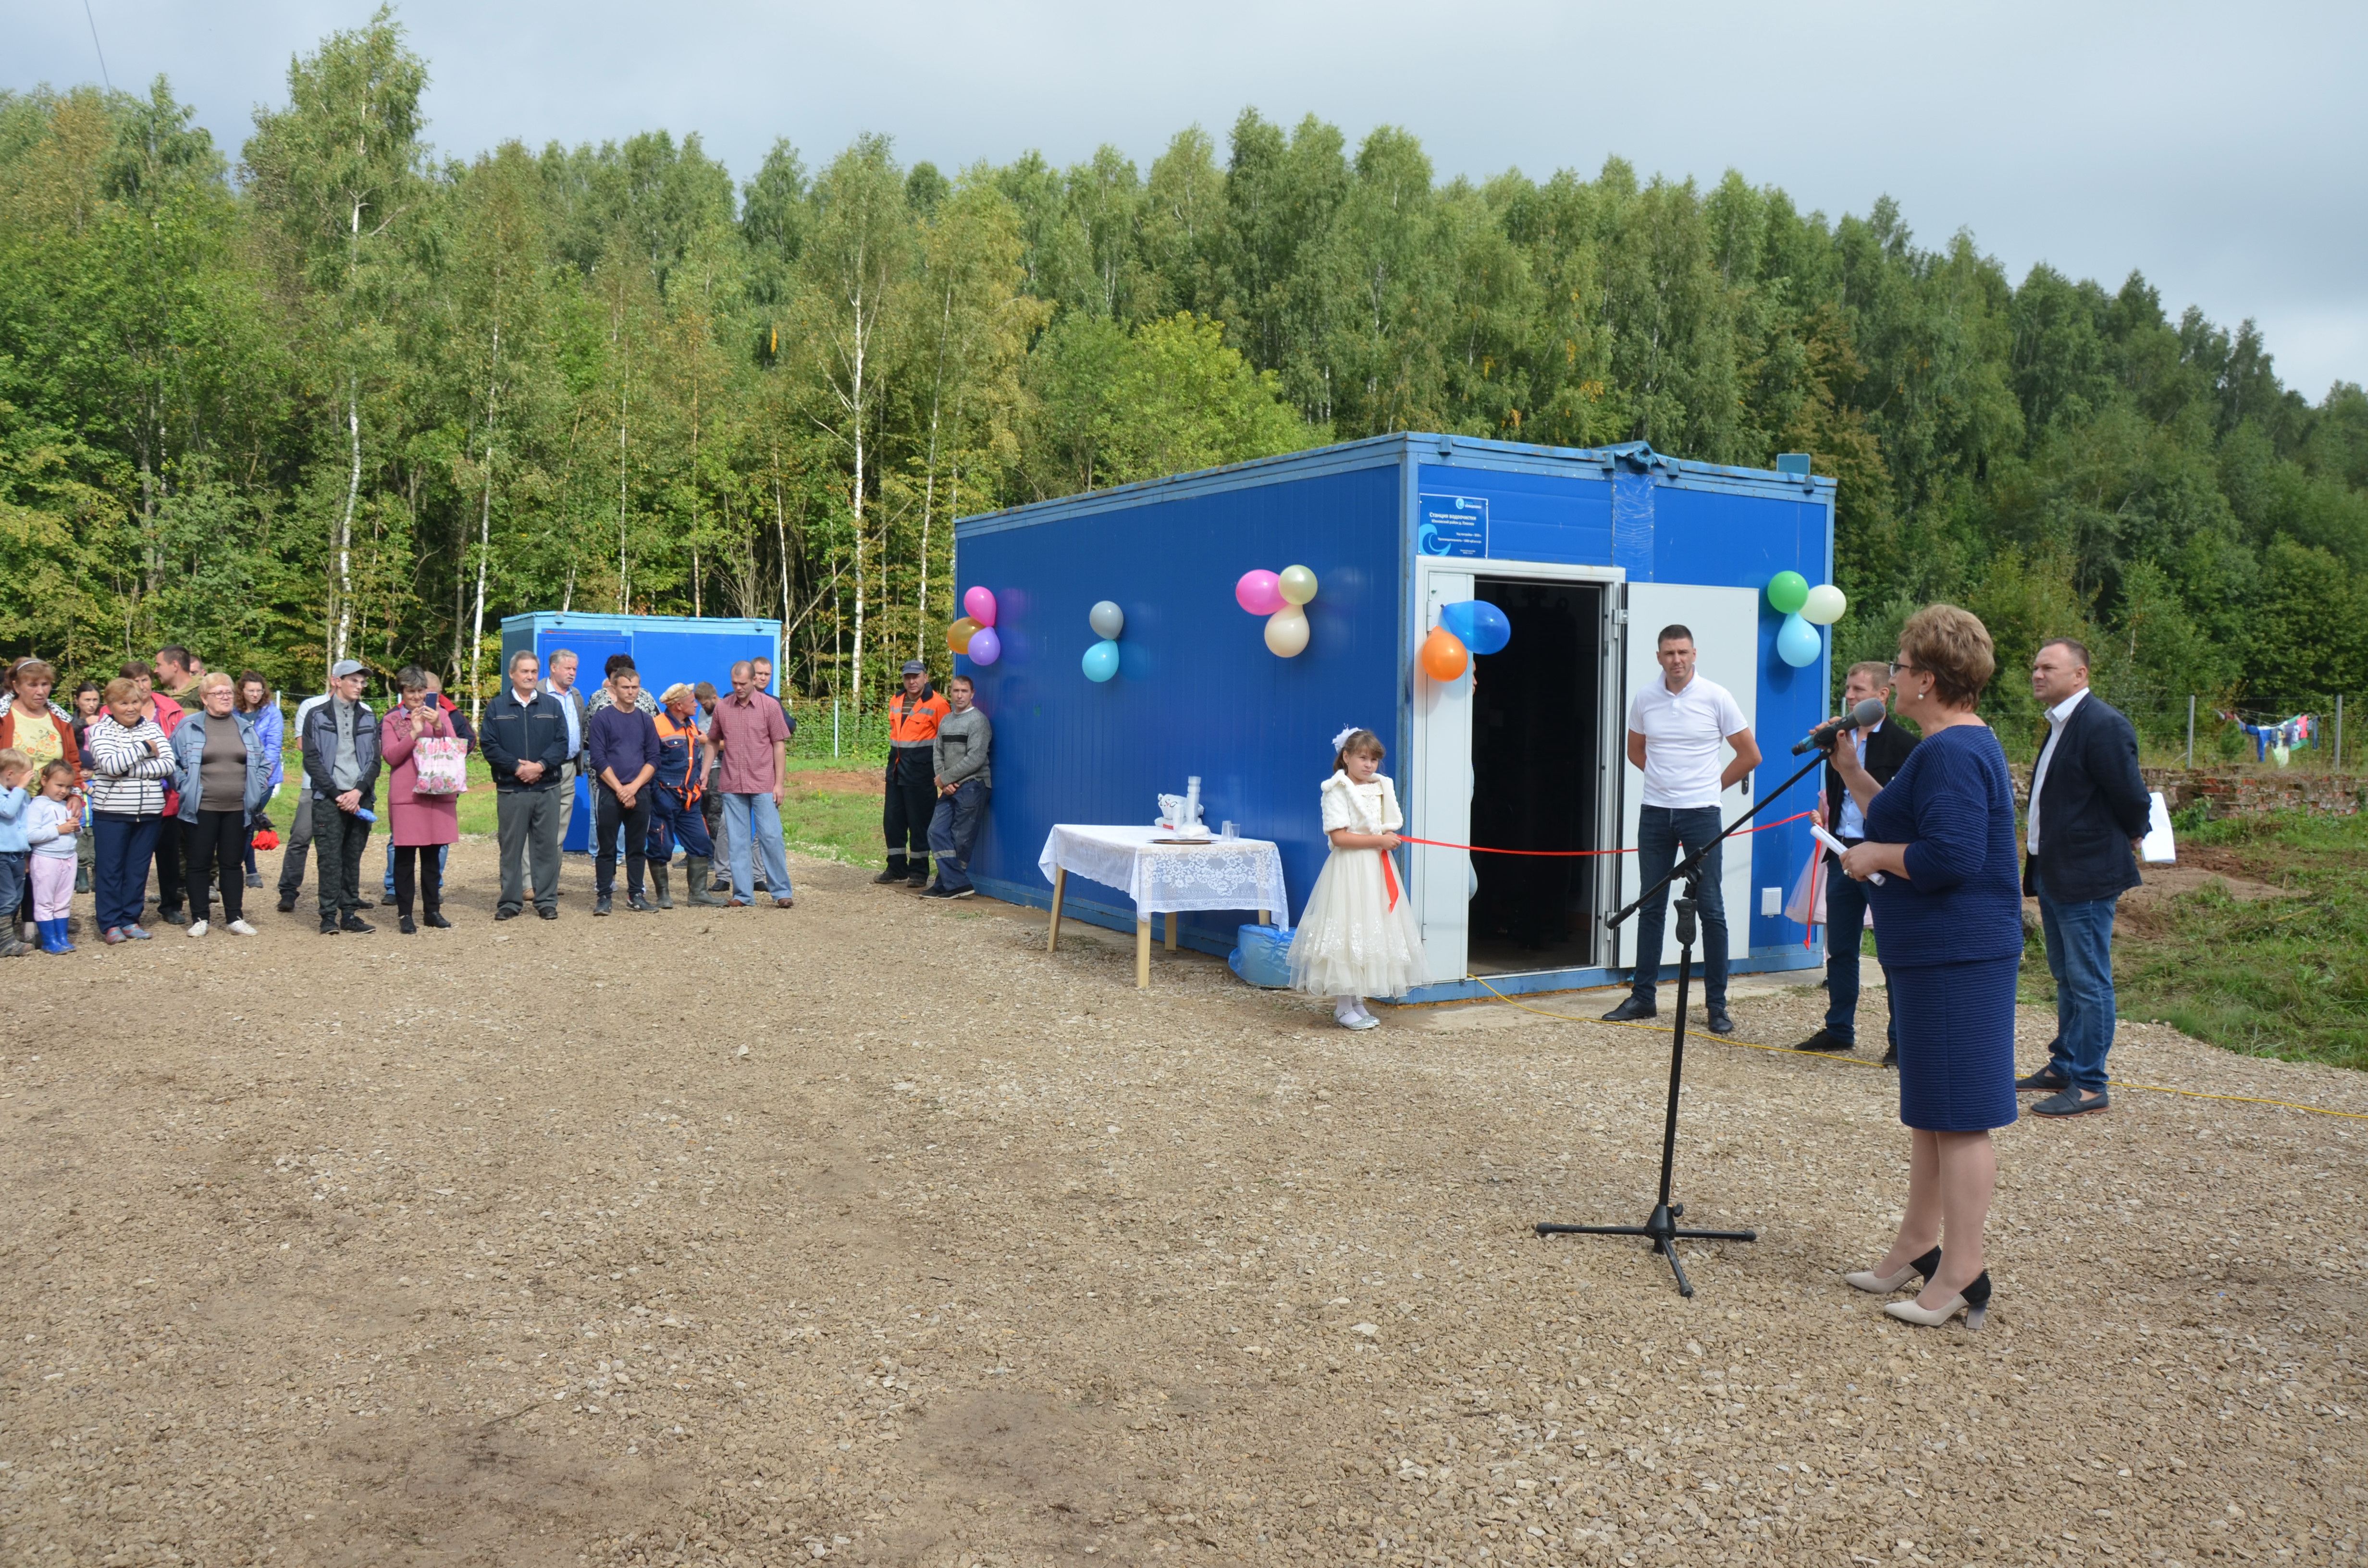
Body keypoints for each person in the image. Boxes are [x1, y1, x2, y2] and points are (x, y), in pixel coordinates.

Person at [1829, 604, 2022, 1330]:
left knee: (1963, 1117)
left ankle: (1962, 1267)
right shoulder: (1951, 749)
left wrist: (1874, 858)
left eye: (1904, 665)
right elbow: (1907, 823)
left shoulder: (1951, 751)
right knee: (1932, 1114)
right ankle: (1917, 1244)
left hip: (1958, 954)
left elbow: (1949, 858)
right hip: (1936, 953)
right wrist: (1851, 772)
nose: (1895, 675)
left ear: (1929, 681)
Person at [1603, 625, 1762, 1034]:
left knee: (1711, 907)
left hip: (1702, 815)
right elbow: (1635, 749)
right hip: (1655, 813)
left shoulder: (1716, 696)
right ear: (1659, 657)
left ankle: (1716, 1006)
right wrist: (1663, 780)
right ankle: (1643, 997)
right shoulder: (1645, 697)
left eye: (1683, 652)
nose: (1677, 660)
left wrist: (1710, 787)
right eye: (1669, 653)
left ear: (1695, 654)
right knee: (1651, 903)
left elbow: (1750, 754)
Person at [2019, 637, 2151, 1118]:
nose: (2036, 674)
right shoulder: (2060, 724)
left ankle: (2091, 1084)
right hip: (2053, 870)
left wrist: (2135, 834)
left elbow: (2132, 797)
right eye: (2034, 667)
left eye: (2047, 668)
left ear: (2079, 675)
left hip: (2087, 874)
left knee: (2089, 981)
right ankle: (2064, 1065)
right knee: (2066, 978)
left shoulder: (2102, 725)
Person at [1794, 661, 1918, 1061]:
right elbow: (1839, 797)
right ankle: (1839, 1028)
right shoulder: (1840, 739)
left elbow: (1902, 808)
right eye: (1848, 688)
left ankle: (1901, 1039)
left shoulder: (1905, 746)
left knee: (1891, 953)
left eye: (1859, 690)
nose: (1850, 696)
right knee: (1841, 948)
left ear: (1883, 696)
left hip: (1884, 858)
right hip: (1842, 852)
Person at [1289, 727, 1430, 1028]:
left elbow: (1380, 827)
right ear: (1347, 757)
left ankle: (1357, 1001)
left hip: (1377, 868)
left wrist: (1384, 838)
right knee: (1349, 927)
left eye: (1374, 760)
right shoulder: (1336, 791)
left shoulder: (1379, 788)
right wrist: (1379, 841)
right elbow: (1340, 838)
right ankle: (1342, 1006)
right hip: (1351, 869)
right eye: (1363, 758)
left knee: (1371, 927)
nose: (1369, 765)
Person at [166, 671, 271, 937]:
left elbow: (264, 763)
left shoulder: (245, 728)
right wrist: (185, 784)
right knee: (199, 862)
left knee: (233, 863)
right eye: (219, 693)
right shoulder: (188, 727)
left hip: (238, 807)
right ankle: (200, 917)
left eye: (228, 693)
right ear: (204, 698)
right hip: (201, 808)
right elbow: (172, 761)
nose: (225, 697)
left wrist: (256, 789)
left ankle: (234, 916)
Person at [85, 676, 178, 944]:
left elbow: (168, 765)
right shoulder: (100, 732)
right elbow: (110, 766)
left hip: (149, 812)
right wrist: (143, 749)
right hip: (112, 812)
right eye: (123, 703)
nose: (130, 708)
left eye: (135, 702)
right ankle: (111, 922)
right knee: (111, 869)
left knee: (138, 869)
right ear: (111, 705)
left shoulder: (154, 728)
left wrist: (128, 767)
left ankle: (130, 918)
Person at [481, 650, 570, 921]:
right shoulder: (496, 707)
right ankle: (510, 901)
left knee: (546, 848)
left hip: (547, 788)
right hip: (512, 789)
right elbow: (489, 745)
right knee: (511, 848)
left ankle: (546, 900)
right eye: (524, 672)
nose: (530, 676)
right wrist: (517, 768)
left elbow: (562, 743)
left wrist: (540, 766)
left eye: (534, 672)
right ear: (512, 674)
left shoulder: (552, 707)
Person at [299, 659, 382, 935]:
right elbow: (312, 760)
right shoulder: (317, 715)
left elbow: (375, 761)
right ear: (336, 681)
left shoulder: (369, 716)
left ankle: (349, 914)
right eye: (353, 680)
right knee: (329, 858)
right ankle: (327, 917)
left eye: (362, 681)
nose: (360, 686)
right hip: (328, 798)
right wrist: (337, 794)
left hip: (361, 797)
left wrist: (358, 792)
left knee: (352, 856)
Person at [1, 660, 79, 936]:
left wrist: (76, 794)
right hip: (10, 803)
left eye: (45, 684)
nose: (40, 691)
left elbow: (72, 761)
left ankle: (36, 925)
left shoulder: (60, 718)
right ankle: (7, 928)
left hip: (52, 801)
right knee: (13, 865)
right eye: (32, 685)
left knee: (46, 864)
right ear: (16, 686)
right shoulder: (4, 715)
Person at [708, 660, 794, 909]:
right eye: (734, 683)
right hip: (733, 783)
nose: (738, 688)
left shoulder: (770, 706)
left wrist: (780, 784)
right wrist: (704, 773)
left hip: (764, 782)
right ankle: (743, 895)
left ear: (753, 680)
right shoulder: (723, 708)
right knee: (736, 840)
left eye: (743, 683)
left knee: (771, 837)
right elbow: (713, 740)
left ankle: (781, 892)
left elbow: (779, 744)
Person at [380, 666, 460, 934]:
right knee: (404, 857)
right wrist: (413, 733)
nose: (416, 697)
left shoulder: (444, 715)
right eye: (411, 691)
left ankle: (432, 911)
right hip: (407, 796)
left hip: (437, 794)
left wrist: (437, 726)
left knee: (432, 855)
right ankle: (405, 914)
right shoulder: (391, 719)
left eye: (420, 691)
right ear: (402, 692)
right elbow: (391, 756)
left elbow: (455, 749)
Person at [586, 665, 661, 916]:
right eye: (625, 687)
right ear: (614, 688)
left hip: (640, 791)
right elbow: (597, 758)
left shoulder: (646, 720)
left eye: (635, 687)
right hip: (609, 791)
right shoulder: (602, 719)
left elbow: (653, 758)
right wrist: (620, 789)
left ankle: (636, 894)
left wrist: (634, 788)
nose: (631, 692)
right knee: (606, 847)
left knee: (637, 847)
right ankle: (604, 896)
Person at [123, 659, 190, 924]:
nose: (141, 686)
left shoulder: (171, 710)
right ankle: (129, 910)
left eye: (145, 680)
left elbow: (181, 750)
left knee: (169, 853)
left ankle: (171, 904)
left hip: (167, 796)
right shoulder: (111, 712)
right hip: (128, 795)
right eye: (135, 682)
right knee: (133, 857)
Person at [646, 683, 719, 908]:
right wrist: (656, 794)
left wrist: (701, 778)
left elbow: (697, 756)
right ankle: (663, 896)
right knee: (660, 847)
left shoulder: (691, 726)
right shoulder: (656, 726)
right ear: (679, 705)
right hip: (663, 798)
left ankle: (698, 894)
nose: (696, 704)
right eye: (691, 702)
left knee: (701, 843)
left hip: (690, 799)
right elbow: (649, 762)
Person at [877, 660, 950, 888]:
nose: (912, 681)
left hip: (922, 773)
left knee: (920, 824)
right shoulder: (896, 700)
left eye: (916, 676)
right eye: (908, 677)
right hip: (897, 771)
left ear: (925, 678)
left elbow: (945, 741)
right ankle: (896, 868)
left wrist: (944, 774)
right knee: (893, 822)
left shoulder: (937, 704)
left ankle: (918, 872)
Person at [922, 675, 991, 900]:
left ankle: (945, 885)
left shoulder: (978, 721)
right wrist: (943, 779)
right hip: (950, 786)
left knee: (960, 837)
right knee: (935, 831)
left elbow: (976, 759)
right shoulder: (947, 721)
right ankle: (956, 884)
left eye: (964, 691)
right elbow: (938, 751)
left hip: (974, 785)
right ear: (950, 693)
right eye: (955, 691)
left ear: (973, 694)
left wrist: (946, 779)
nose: (959, 695)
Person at [273, 684, 337, 914]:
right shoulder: (311, 706)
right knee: (301, 837)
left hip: (347, 787)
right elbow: (303, 744)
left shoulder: (362, 709)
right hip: (314, 784)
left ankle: (345, 893)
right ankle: (288, 890)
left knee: (343, 842)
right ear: (336, 680)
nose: (358, 685)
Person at [25, 760, 82, 953]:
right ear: (44, 781)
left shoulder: (65, 804)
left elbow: (75, 833)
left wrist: (76, 826)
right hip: (46, 859)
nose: (63, 791)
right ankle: (49, 940)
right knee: (45, 901)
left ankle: (62, 938)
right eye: (59, 785)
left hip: (68, 858)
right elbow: (31, 835)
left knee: (63, 900)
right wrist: (59, 830)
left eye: (68, 787)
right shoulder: (37, 806)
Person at [234, 671, 282, 890]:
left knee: (249, 821)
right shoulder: (232, 712)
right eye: (250, 690)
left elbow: (273, 745)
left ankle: (245, 869)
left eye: (259, 690)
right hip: (235, 775)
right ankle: (246, 869)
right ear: (242, 691)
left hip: (264, 777)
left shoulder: (272, 713)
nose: (255, 694)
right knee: (241, 824)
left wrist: (263, 774)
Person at [540, 648, 588, 859]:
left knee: (560, 828)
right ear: (553, 668)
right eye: (568, 668)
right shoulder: (537, 692)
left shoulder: (575, 695)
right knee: (539, 824)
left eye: (575, 669)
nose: (572, 673)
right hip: (541, 769)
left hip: (568, 768)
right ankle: (528, 883)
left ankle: (549, 883)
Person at [692, 680, 728, 889]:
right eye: (701, 704)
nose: (703, 707)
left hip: (719, 768)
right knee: (703, 811)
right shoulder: (703, 714)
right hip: (703, 767)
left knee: (716, 812)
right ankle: (702, 853)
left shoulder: (724, 711)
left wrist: (706, 741)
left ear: (715, 698)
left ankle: (718, 857)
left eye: (705, 704)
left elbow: (731, 742)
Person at [69, 680, 101, 894]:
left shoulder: (105, 718)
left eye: (95, 700)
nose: (91, 704)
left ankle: (100, 874)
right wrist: (84, 723)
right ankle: (78, 875)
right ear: (77, 700)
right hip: (79, 775)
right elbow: (65, 734)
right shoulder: (72, 721)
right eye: (87, 700)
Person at [0, 748, 28, 956]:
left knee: (16, 897)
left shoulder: (21, 795)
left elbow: (26, 821)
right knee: (7, 897)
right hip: (2, 854)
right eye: (25, 775)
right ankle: (5, 943)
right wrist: (21, 789)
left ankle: (8, 937)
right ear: (10, 774)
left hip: (18, 853)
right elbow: (8, 811)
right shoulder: (10, 794)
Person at [154, 646, 202, 715]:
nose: (155, 671)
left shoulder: (204, 693)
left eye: (159, 665)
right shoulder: (161, 698)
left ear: (175, 666)